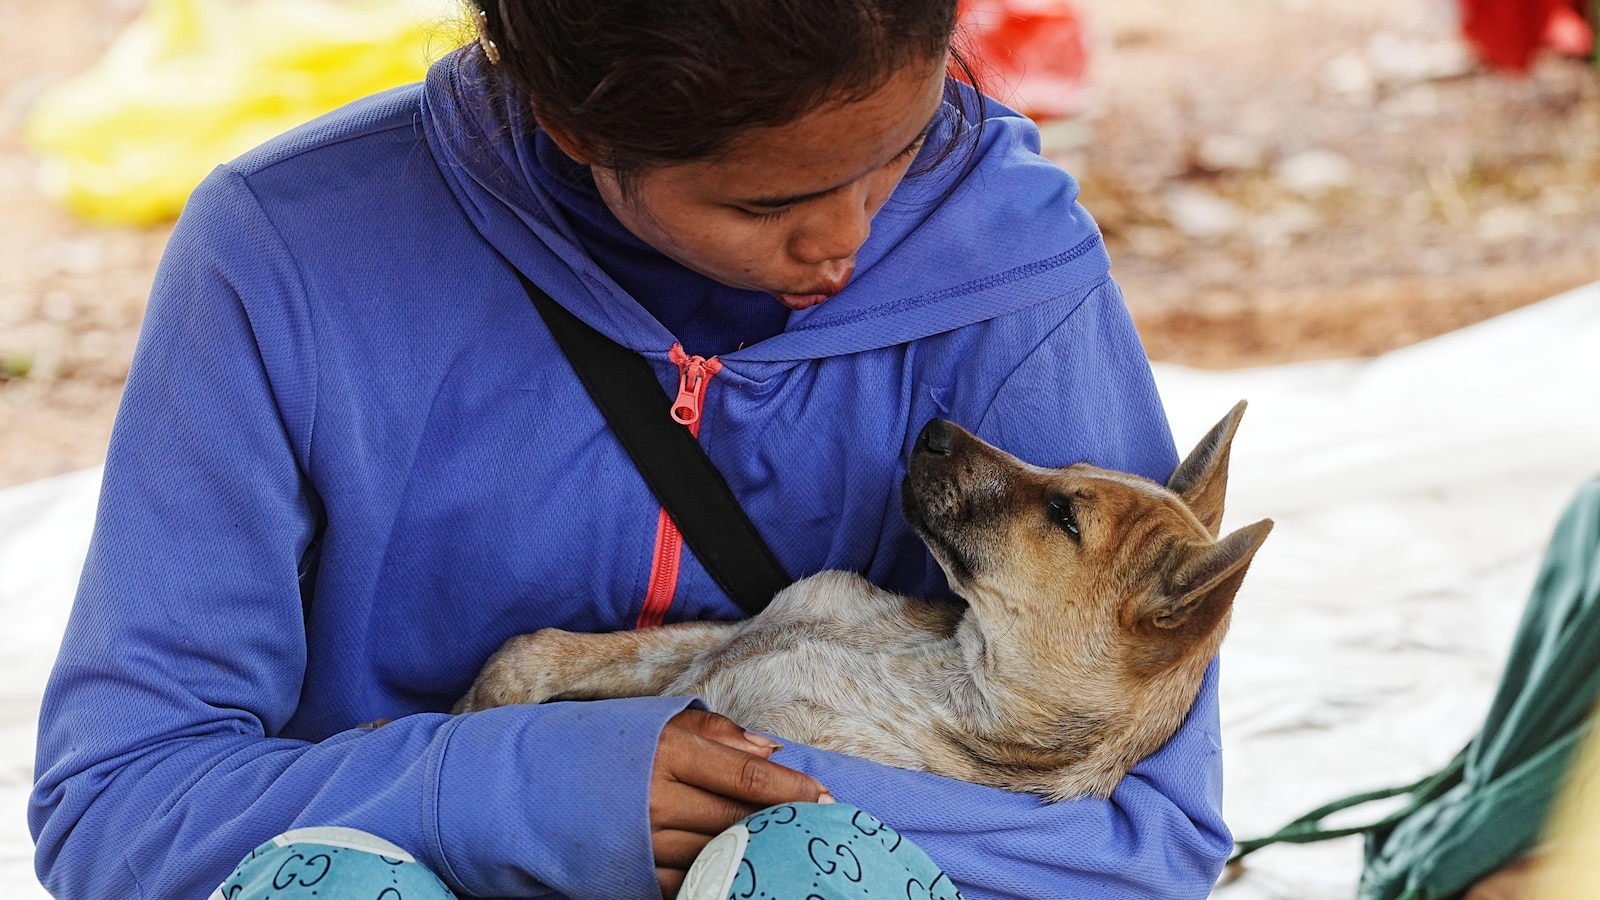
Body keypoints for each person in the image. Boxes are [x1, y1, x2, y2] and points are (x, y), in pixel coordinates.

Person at [28, 1, 1231, 897]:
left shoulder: (1005, 268)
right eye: (765, 205)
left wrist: (779, 790)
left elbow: (1146, 839)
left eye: (900, 152)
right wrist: (528, 790)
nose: (848, 243)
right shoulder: (288, 254)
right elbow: (120, 808)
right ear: (572, 123)